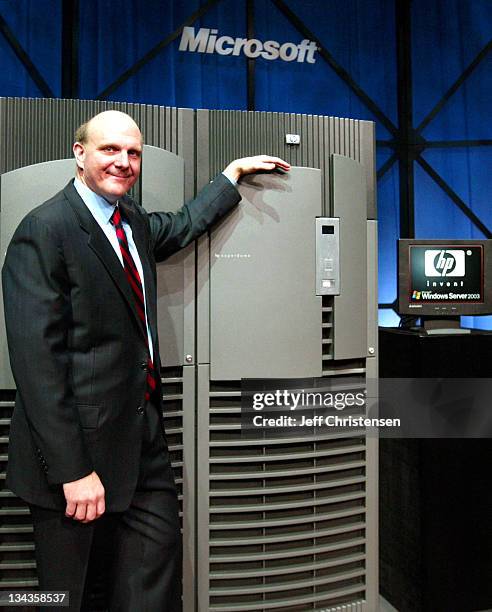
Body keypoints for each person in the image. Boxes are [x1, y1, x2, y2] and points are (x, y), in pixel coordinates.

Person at [2, 110, 290, 611]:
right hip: (76, 456)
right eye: (110, 150)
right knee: (59, 594)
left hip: (141, 441)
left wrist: (232, 175)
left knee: (152, 581)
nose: (124, 162)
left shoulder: (129, 219)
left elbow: (179, 227)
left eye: (133, 153)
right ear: (80, 153)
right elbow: (36, 364)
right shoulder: (44, 230)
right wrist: (72, 471)